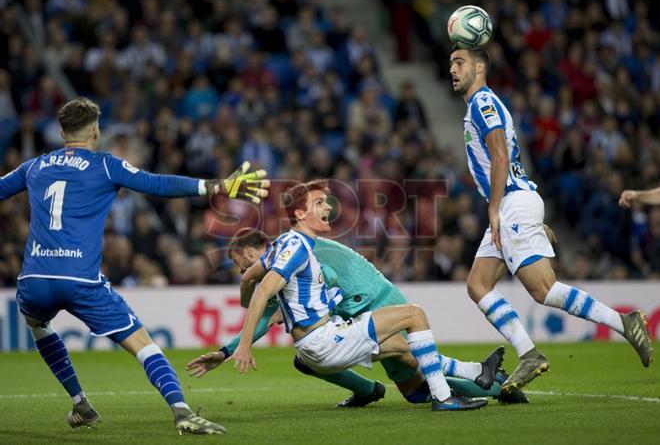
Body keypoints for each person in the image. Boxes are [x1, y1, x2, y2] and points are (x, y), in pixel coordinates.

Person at [0, 97, 269, 434]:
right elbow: (158, 184)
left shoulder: (33, 166)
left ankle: (80, 402)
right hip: (80, 278)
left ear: (61, 132)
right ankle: (182, 411)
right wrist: (215, 186)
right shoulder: (105, 165)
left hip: (35, 278)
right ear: (96, 130)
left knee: (38, 325)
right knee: (145, 346)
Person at [448, 47, 653, 394]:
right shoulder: (476, 106)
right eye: (451, 62)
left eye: (459, 62)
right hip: (515, 202)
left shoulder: (483, 103)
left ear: (480, 67)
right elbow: (508, 159)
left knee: (543, 289)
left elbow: (500, 156)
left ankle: (623, 321)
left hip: (509, 204)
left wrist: (497, 210)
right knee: (478, 285)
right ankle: (528, 352)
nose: (452, 68)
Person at [226, 180, 489, 411]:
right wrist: (243, 344)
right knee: (414, 315)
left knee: (405, 361)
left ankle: (478, 373)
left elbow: (260, 283)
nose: (328, 208)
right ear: (300, 214)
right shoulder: (296, 246)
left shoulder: (286, 244)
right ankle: (450, 396)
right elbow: (262, 292)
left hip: (322, 339)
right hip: (325, 339)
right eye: (319, 203)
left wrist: (250, 281)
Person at [187, 228, 526, 405]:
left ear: (250, 251)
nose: (240, 270)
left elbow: (331, 281)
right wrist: (227, 350)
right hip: (356, 312)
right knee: (412, 391)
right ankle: (369, 391)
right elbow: (262, 314)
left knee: (415, 367)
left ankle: (497, 386)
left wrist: (323, 316)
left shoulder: (289, 253)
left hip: (375, 301)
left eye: (237, 262)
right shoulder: (281, 260)